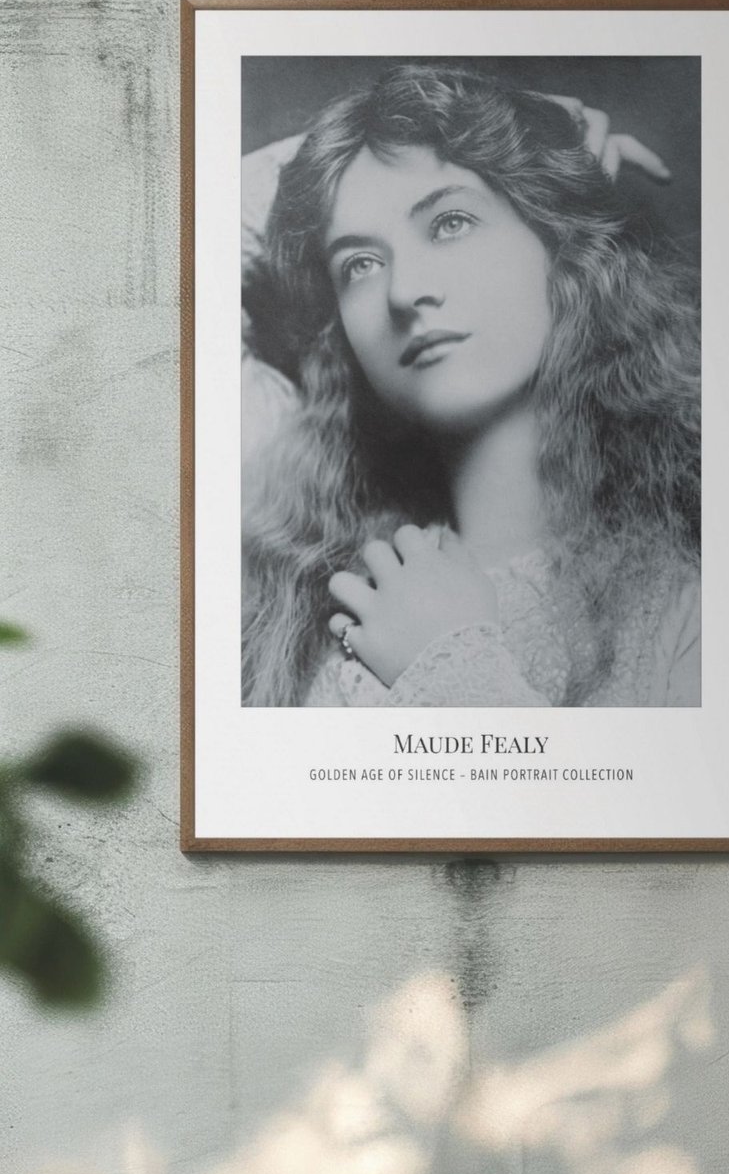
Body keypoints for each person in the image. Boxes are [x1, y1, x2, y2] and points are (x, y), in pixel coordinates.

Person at [242, 62, 701, 709]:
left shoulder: (694, 603)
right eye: (361, 264)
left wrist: (450, 662)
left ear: (561, 244)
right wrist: (469, 113)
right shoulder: (302, 601)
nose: (404, 291)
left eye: (450, 223)